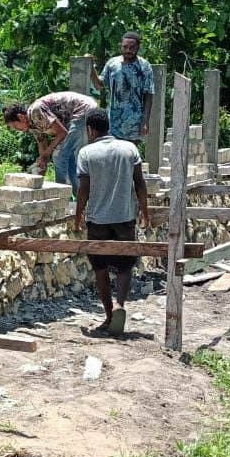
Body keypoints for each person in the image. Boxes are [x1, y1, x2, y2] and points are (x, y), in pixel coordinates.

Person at [73, 109, 151, 335]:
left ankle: (108, 315)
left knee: (100, 268)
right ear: (108, 126)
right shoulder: (129, 149)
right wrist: (145, 213)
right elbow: (140, 184)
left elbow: (83, 190)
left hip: (98, 221)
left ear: (90, 129)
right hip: (125, 218)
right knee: (125, 266)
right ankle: (120, 305)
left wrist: (78, 217)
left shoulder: (87, 153)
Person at [3, 91, 96, 185]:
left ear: (21, 117)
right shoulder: (32, 126)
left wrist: (47, 154)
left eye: (15, 126)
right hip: (74, 117)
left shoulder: (35, 112)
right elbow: (42, 147)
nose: (17, 130)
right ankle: (74, 195)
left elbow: (62, 132)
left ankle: (61, 192)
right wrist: (40, 170)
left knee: (58, 155)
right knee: (68, 158)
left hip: (83, 109)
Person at [91, 31, 155, 143]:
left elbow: (148, 95)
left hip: (134, 122)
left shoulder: (144, 66)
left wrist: (145, 122)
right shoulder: (112, 63)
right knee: (113, 155)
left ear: (138, 48)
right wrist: (91, 66)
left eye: (132, 47)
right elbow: (99, 85)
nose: (128, 50)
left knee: (130, 155)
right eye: (125, 47)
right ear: (120, 47)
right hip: (114, 121)